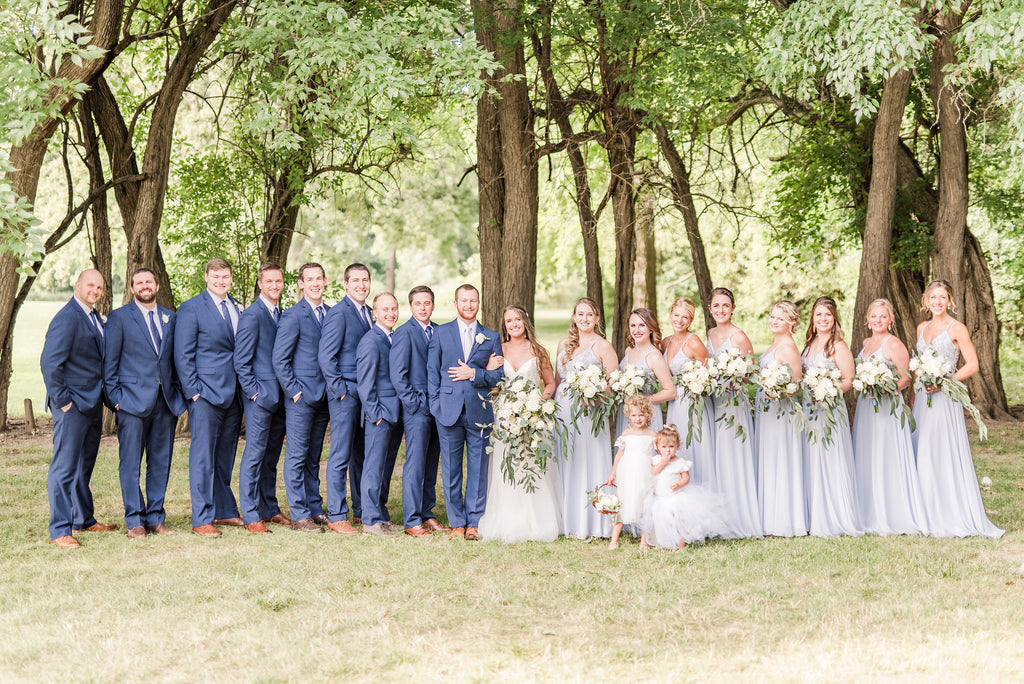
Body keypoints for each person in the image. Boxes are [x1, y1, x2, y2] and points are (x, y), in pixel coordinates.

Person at [912, 280, 1003, 538]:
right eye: (933, 297)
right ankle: (924, 511)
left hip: (945, 398)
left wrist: (945, 382)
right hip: (922, 396)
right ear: (926, 301)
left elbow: (972, 364)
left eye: (942, 297)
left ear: (950, 300)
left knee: (943, 449)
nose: (937, 302)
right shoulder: (921, 327)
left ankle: (949, 510)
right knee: (923, 447)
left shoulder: (957, 328)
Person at [103, 268, 187, 539]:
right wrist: (116, 401)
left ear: (157, 286)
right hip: (130, 403)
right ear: (132, 288)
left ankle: (155, 518)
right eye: (139, 282)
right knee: (130, 463)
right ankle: (134, 520)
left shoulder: (170, 318)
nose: (144, 286)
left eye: (148, 281)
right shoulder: (118, 318)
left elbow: (175, 360)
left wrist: (177, 394)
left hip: (165, 403)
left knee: (160, 462)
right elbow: (110, 364)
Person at [41, 269, 117, 548]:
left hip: (92, 403)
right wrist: (64, 402)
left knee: (83, 465)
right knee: (64, 467)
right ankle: (60, 528)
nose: (95, 291)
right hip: (72, 406)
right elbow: (50, 364)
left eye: (99, 287)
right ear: (77, 285)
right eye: (90, 285)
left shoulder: (94, 317)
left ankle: (83, 518)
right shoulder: (67, 317)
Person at [478, 305, 563, 543]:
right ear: (504, 326)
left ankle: (537, 521)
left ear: (525, 322)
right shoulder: (499, 351)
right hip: (505, 415)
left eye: (517, 319)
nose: (513, 324)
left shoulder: (538, 350)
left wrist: (538, 403)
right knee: (507, 462)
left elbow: (549, 383)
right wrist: (489, 372)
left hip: (533, 415)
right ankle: (509, 518)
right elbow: (493, 385)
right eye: (509, 321)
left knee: (532, 463)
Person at [426, 284, 504, 540]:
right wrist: (436, 406)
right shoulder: (441, 333)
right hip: (447, 410)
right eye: (464, 301)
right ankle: (456, 522)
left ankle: (474, 522)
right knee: (450, 470)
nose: (469, 305)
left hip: (479, 410)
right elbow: (432, 373)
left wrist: (475, 374)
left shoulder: (490, 337)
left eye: (473, 301)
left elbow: (498, 376)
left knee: (479, 469)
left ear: (478, 303)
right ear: (456, 303)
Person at [174, 258, 244, 537]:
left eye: (225, 276)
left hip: (234, 393)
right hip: (204, 395)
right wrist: (194, 393)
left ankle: (224, 511)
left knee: (225, 455)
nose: (220, 281)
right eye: (215, 276)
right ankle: (202, 518)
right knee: (203, 457)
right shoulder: (191, 308)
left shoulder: (238, 306)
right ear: (206, 277)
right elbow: (183, 355)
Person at [851, 298, 929, 536]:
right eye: (874, 316)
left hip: (887, 405)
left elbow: (906, 377)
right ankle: (867, 510)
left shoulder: (894, 344)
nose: (878, 320)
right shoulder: (866, 343)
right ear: (867, 320)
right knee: (868, 452)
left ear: (891, 320)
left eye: (883, 317)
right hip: (867, 405)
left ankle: (891, 511)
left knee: (886, 453)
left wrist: (885, 388)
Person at [274, 263, 332, 533]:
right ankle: (299, 514)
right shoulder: (293, 316)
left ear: (325, 281)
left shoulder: (331, 314)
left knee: (313, 455)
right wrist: (295, 391)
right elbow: (280, 359)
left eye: (318, 278)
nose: (315, 283)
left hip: (324, 397)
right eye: (309, 279)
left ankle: (314, 507)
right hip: (300, 397)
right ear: (300, 283)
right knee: (297, 456)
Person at [553, 297, 618, 539]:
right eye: (580, 314)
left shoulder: (603, 346)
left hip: (589, 412)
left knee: (586, 460)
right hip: (563, 409)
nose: (584, 319)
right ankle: (565, 519)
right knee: (567, 458)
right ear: (573, 316)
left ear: (597, 318)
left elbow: (613, 383)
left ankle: (591, 522)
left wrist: (596, 395)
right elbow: (558, 381)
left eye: (590, 315)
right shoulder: (563, 344)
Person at [233, 262, 291, 534]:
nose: (275, 286)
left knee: (271, 456)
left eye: (278, 281)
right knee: (255, 454)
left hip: (282, 397)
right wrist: (254, 392)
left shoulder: (282, 313)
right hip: (260, 398)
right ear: (260, 284)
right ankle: (251, 513)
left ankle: (269, 507)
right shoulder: (252, 315)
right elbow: (241, 361)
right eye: (269, 281)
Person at [801, 296, 862, 537]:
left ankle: (835, 517)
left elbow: (849, 379)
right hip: (808, 409)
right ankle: (813, 515)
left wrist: (828, 391)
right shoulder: (809, 344)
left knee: (829, 457)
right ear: (813, 319)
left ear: (834, 317)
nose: (823, 318)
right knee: (812, 458)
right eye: (819, 314)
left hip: (829, 409)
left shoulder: (838, 346)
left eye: (827, 314)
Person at [319, 263, 373, 529]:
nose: (361, 285)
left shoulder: (370, 314)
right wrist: (340, 390)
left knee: (361, 454)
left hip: (366, 395)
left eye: (365, 280)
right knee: (340, 455)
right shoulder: (339, 313)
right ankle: (338, 515)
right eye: (356, 280)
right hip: (345, 394)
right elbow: (326, 356)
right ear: (346, 284)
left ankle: (362, 510)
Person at [390, 286, 447, 535]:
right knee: (414, 463)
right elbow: (398, 375)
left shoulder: (440, 331)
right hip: (417, 408)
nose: (423, 308)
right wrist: (414, 403)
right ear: (410, 307)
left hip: (438, 407)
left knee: (431, 460)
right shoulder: (404, 333)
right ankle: (412, 519)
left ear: (433, 305)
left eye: (427, 303)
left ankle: (427, 512)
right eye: (418, 304)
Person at [705, 287, 761, 539]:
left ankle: (739, 518)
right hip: (712, 402)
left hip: (733, 403)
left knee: (732, 455)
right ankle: (717, 518)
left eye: (725, 306)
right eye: (716, 306)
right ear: (709, 308)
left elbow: (752, 374)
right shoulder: (709, 333)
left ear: (733, 308)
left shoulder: (739, 337)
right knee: (717, 456)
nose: (720, 310)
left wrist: (733, 374)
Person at [754, 301, 807, 537]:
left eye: (780, 318)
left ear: (792, 323)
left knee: (780, 459)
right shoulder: (775, 344)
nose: (774, 321)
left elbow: (796, 383)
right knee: (769, 458)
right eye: (772, 316)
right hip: (767, 409)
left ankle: (784, 521)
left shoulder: (787, 347)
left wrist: (776, 389)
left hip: (780, 410)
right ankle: (769, 518)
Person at [640, 425, 734, 550]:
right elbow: (653, 472)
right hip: (658, 497)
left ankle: (681, 543)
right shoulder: (656, 460)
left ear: (677, 447)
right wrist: (664, 461)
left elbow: (686, 478)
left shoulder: (680, 462)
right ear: (657, 448)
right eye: (664, 447)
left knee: (680, 518)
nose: (667, 450)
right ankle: (655, 542)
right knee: (654, 517)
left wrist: (679, 484)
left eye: (671, 447)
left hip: (674, 497)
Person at [356, 292, 404, 537]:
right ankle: (371, 520)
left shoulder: (393, 337)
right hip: (380, 415)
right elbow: (365, 384)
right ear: (374, 313)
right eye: (384, 309)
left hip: (394, 414)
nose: (390, 313)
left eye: (394, 309)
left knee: (385, 468)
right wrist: (376, 414)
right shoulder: (371, 340)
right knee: (373, 468)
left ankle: (381, 515)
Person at [662, 297, 715, 487]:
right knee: (674, 444)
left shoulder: (694, 343)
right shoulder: (665, 342)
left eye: (685, 317)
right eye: (676, 315)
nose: (680, 320)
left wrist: (694, 384)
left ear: (691, 321)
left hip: (692, 402)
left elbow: (709, 375)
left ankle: (698, 487)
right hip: (673, 402)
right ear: (670, 315)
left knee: (691, 444)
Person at [605, 394, 656, 550]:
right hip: (626, 472)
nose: (638, 418)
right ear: (629, 415)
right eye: (634, 415)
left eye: (641, 414)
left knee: (645, 502)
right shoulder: (626, 434)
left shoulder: (653, 435)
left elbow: (658, 456)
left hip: (644, 472)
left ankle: (644, 541)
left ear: (648, 414)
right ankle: (614, 540)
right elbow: (619, 454)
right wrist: (613, 473)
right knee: (623, 501)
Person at [614, 308, 675, 436]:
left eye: (642, 325)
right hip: (627, 412)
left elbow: (670, 391)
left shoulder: (654, 356)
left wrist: (642, 401)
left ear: (651, 328)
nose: (636, 330)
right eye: (633, 325)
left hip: (646, 414)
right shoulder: (629, 350)